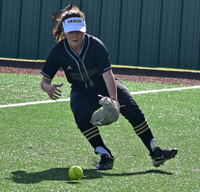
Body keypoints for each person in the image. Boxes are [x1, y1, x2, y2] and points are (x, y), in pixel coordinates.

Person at [40, 3, 178, 170]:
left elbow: (108, 75)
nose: (75, 35)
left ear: (84, 29)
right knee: (81, 116)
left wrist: (114, 100)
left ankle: (156, 152)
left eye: (79, 31)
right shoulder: (58, 51)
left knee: (132, 109)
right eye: (71, 32)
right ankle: (105, 155)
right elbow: (44, 80)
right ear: (64, 31)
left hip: (104, 85)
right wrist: (47, 87)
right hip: (81, 90)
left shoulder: (96, 45)